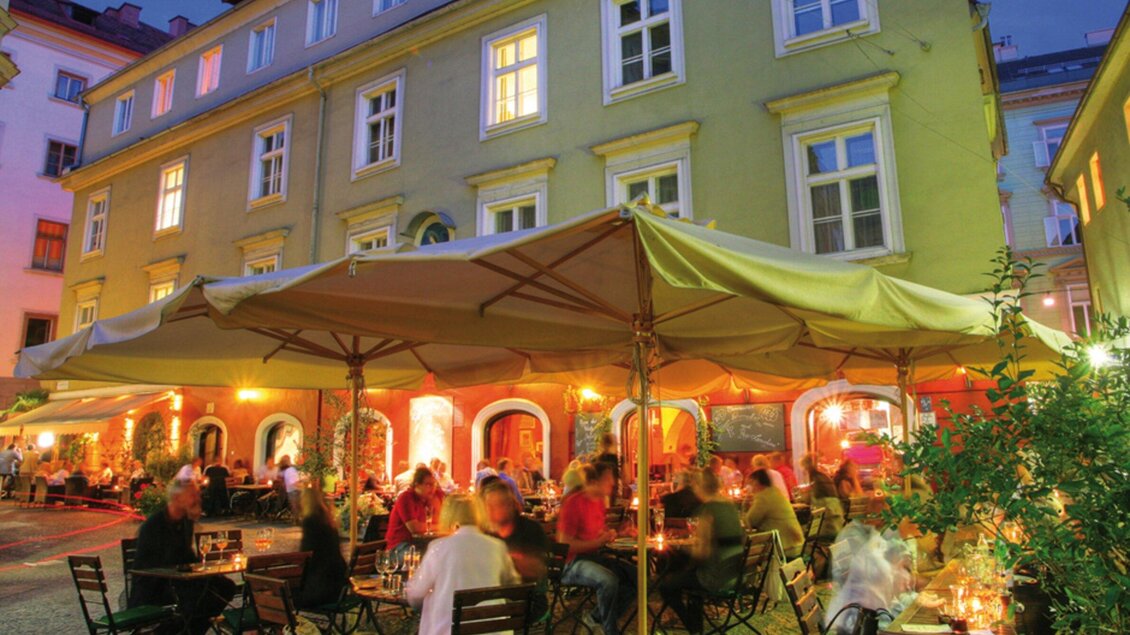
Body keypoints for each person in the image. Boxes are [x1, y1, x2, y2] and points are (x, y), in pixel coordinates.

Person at [131, 480, 236, 635]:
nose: (197, 499)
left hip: (179, 580)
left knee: (225, 587)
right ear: (177, 498)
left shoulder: (185, 522)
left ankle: (190, 630)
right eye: (192, 495)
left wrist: (207, 570)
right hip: (154, 585)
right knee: (196, 596)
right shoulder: (154, 525)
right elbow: (167, 560)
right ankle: (175, 630)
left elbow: (188, 556)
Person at [407, 494, 520, 635]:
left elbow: (416, 594)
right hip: (494, 629)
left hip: (449, 629)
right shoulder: (497, 546)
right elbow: (513, 584)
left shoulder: (439, 547)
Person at [659, 469, 745, 633]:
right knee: (690, 578)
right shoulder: (730, 507)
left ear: (698, 487)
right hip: (736, 573)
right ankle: (696, 627)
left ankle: (692, 626)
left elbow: (701, 553)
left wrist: (679, 546)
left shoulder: (706, 511)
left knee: (667, 586)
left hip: (715, 577)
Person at [557, 462, 636, 635]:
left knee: (637, 577)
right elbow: (565, 544)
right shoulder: (574, 502)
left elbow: (596, 531)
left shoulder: (599, 502)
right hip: (571, 563)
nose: (613, 484)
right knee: (607, 580)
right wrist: (598, 542)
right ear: (593, 481)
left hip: (593, 557)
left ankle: (596, 618)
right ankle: (610, 630)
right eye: (608, 480)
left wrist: (618, 532)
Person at [482, 481, 549, 620]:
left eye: (499, 504)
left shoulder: (531, 529)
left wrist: (507, 557)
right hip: (491, 596)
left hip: (529, 598)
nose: (492, 510)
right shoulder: (485, 532)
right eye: (489, 506)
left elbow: (537, 570)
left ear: (511, 504)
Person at [296, 487, 347, 608]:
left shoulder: (310, 522)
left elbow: (305, 554)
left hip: (319, 591)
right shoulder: (329, 522)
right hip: (337, 586)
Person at [744, 468, 804, 558]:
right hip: (797, 543)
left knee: (746, 552)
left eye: (750, 483)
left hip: (783, 547)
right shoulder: (775, 492)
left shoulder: (763, 497)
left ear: (756, 482)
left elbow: (750, 521)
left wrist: (745, 505)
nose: (749, 488)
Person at [386, 466, 444, 557]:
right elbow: (415, 528)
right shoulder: (406, 498)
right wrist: (442, 527)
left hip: (420, 544)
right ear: (417, 485)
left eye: (434, 484)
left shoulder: (427, 499)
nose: (433, 488)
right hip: (399, 547)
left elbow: (441, 519)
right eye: (428, 485)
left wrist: (436, 502)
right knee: (432, 558)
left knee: (444, 554)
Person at [801, 454, 845, 540]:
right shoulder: (823, 476)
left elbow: (810, 500)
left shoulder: (815, 479)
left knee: (800, 529)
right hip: (837, 524)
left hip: (827, 528)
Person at [594, 433, 620, 500]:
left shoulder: (598, 459)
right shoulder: (617, 459)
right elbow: (626, 479)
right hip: (613, 492)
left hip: (600, 492)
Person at [278, 455, 301, 522]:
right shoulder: (289, 469)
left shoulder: (289, 469)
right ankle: (297, 519)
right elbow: (291, 481)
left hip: (289, 488)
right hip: (290, 489)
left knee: (296, 504)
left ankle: (296, 518)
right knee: (296, 504)